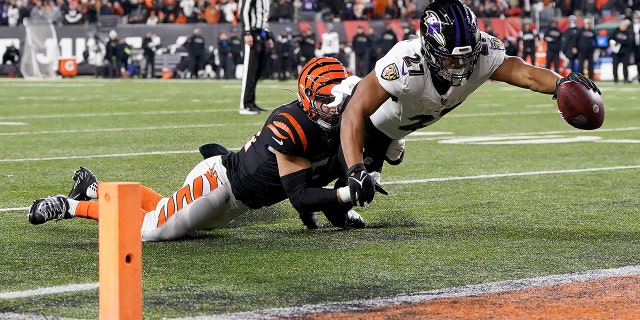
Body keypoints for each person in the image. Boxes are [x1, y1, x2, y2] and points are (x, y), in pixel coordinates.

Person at [28, 57, 367, 241]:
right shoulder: (290, 125)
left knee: (163, 210)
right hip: (219, 185)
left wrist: (341, 212)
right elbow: (301, 195)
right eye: (326, 100)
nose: (335, 107)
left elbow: (322, 176)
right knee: (149, 230)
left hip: (235, 201)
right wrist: (344, 198)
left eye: (338, 99)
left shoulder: (336, 125)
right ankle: (68, 206)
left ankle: (93, 187)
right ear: (308, 99)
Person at [335, 0, 601, 206]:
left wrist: (560, 83)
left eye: (466, 57)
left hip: (396, 125)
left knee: (359, 194)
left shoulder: (481, 53)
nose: (460, 66)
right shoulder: (406, 65)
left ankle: (388, 147)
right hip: (359, 121)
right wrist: (356, 169)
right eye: (450, 59)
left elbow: (526, 74)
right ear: (428, 50)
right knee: (336, 192)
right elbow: (354, 111)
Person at [238, 0, 274, 115]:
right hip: (252, 32)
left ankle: (251, 103)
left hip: (261, 33)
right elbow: (244, 11)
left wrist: (268, 36)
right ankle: (245, 104)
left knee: (256, 71)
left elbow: (265, 17)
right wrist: (246, 32)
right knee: (249, 71)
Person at [610, 19, 634, 83]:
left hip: (625, 52)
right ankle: (615, 79)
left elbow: (630, 42)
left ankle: (625, 79)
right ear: (620, 25)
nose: (623, 26)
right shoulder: (615, 31)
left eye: (625, 25)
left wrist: (619, 42)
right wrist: (613, 46)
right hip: (616, 53)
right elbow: (610, 39)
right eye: (622, 25)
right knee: (615, 66)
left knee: (625, 66)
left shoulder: (629, 32)